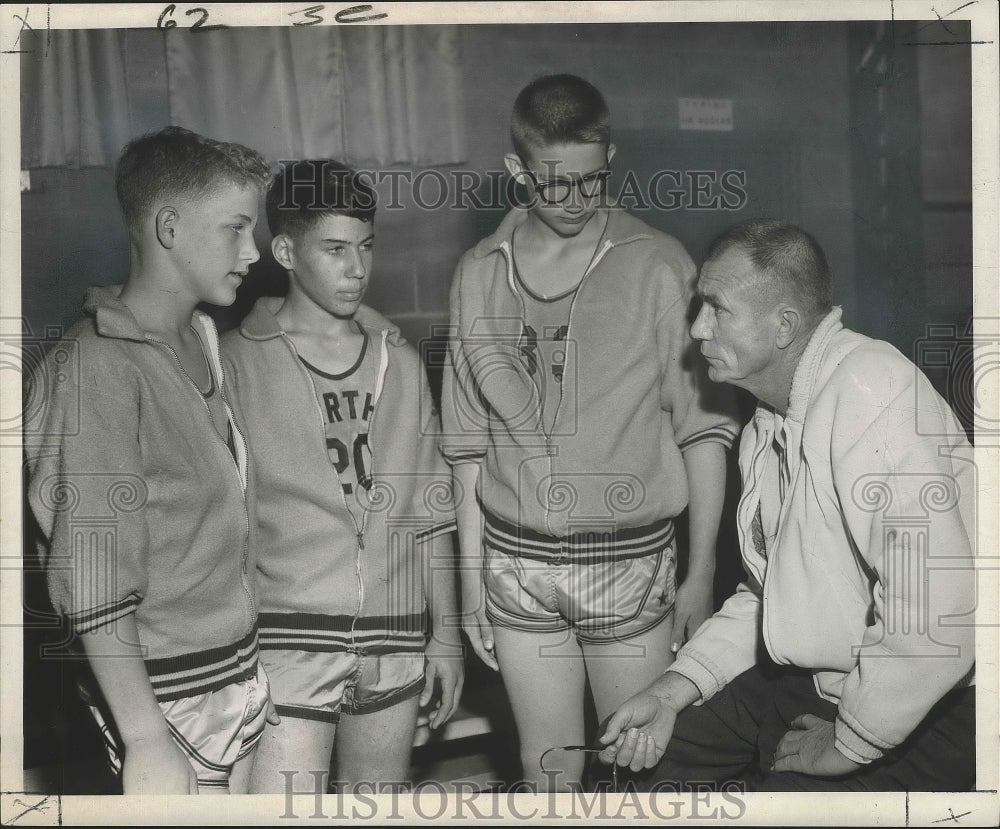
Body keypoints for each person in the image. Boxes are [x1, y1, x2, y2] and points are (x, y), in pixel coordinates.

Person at [599, 219, 977, 792]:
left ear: (784, 326)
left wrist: (851, 742)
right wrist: (671, 689)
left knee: (773, 801)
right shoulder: (770, 418)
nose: (697, 330)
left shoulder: (872, 390)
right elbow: (771, 597)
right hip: (815, 678)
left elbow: (936, 613)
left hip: (928, 708)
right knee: (645, 769)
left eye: (717, 309)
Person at [440, 74, 739, 790]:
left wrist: (700, 574)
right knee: (545, 767)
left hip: (627, 562)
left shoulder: (659, 265)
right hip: (516, 565)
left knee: (635, 765)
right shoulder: (478, 273)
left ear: (609, 157)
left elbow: (702, 432)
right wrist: (472, 581)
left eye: (591, 179)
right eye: (553, 185)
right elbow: (467, 449)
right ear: (518, 171)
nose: (575, 200)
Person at [24, 126, 275, 794]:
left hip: (233, 674)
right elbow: (95, 576)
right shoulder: (98, 368)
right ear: (169, 227)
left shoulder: (200, 336)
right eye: (235, 229)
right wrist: (143, 738)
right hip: (166, 695)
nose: (254, 251)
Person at [221, 159, 463, 793]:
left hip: (395, 636)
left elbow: (432, 507)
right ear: (285, 250)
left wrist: (448, 637)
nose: (357, 268)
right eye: (334, 249)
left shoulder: (401, 364)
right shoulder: (237, 362)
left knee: (377, 809)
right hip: (288, 641)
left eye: (366, 248)